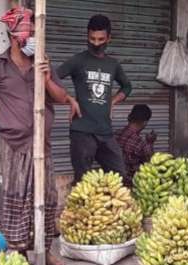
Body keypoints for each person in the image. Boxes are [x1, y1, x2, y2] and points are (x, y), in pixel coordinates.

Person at [0, 6, 74, 265]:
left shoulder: (42, 62)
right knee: (18, 197)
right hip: (14, 144)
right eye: (29, 34)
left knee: (46, 196)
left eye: (36, 33)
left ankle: (45, 252)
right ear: (14, 36)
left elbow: (60, 97)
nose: (33, 38)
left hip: (41, 144)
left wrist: (45, 78)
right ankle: (20, 251)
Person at [57, 14, 133, 183]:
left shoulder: (113, 64)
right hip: (82, 132)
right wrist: (69, 99)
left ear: (109, 38)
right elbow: (51, 79)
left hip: (106, 132)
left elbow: (127, 87)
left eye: (101, 39)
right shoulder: (78, 60)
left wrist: (112, 101)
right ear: (87, 36)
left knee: (119, 176)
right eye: (92, 39)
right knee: (83, 181)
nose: (96, 43)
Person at [115, 104, 156, 185]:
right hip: (131, 182)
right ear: (145, 122)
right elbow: (151, 162)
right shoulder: (140, 142)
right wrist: (150, 143)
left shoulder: (116, 133)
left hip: (114, 179)